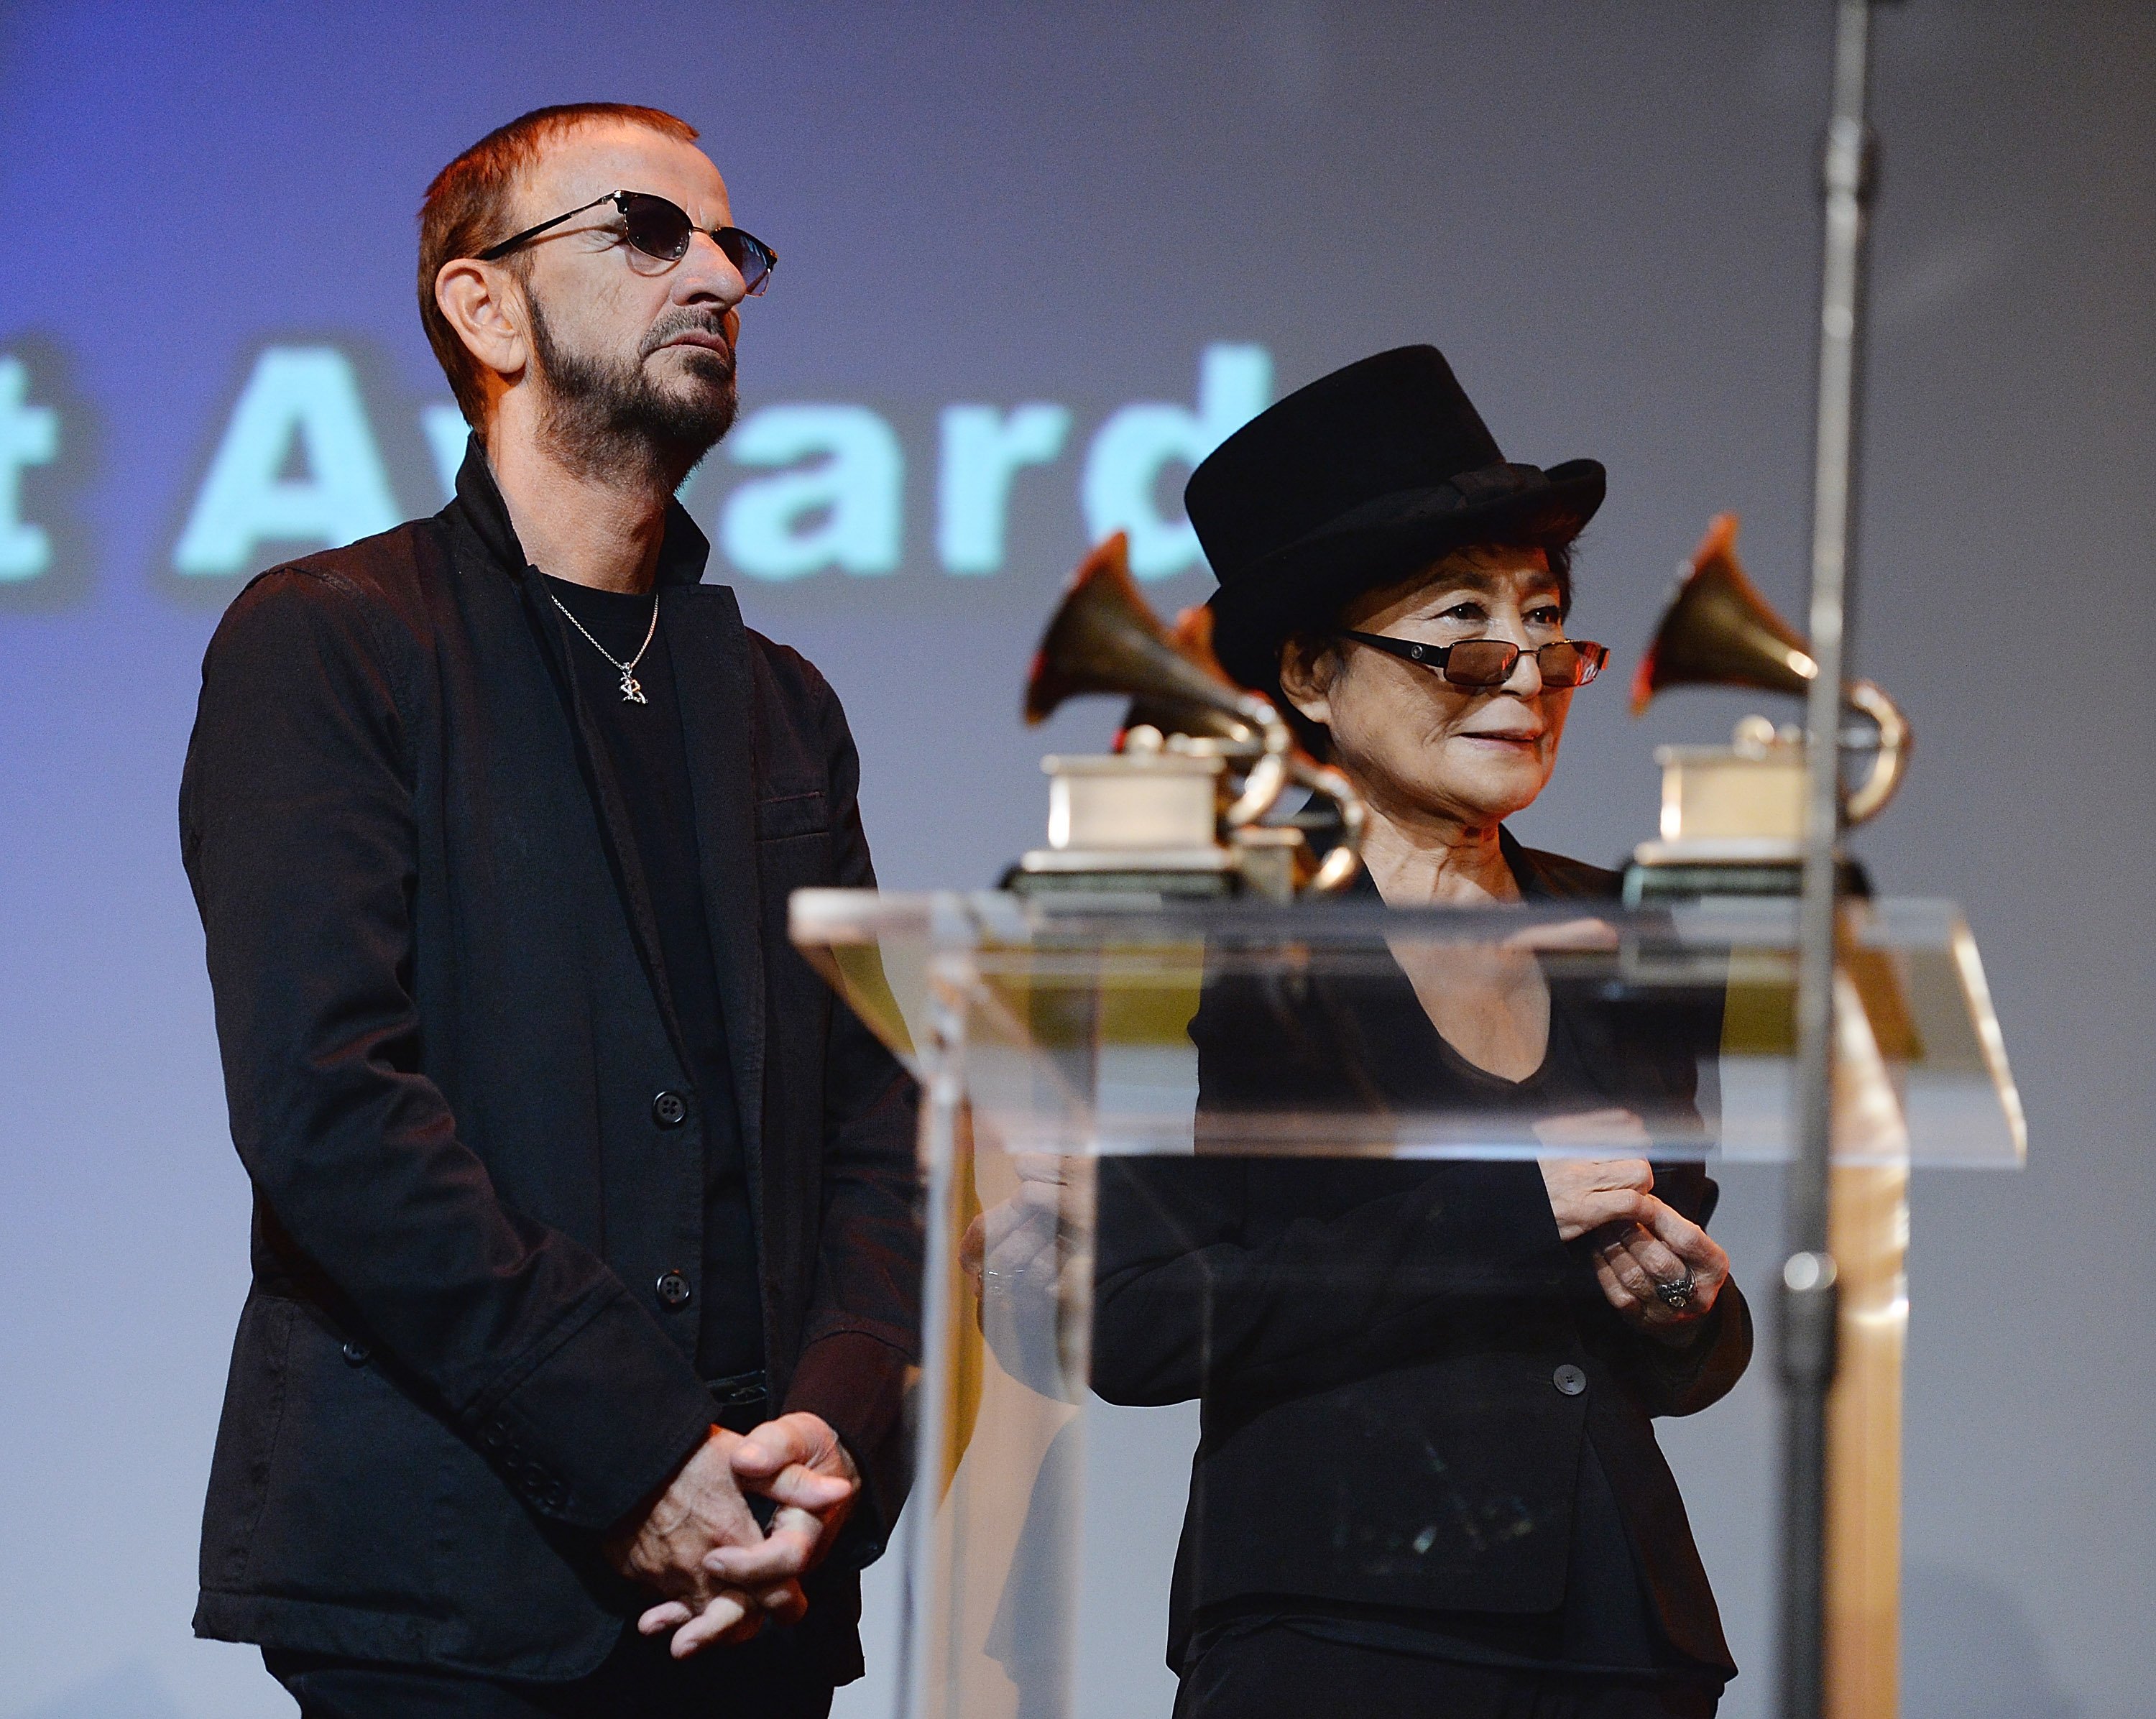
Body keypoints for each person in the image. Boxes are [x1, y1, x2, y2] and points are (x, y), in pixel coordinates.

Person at [179, 103, 920, 1718]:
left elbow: (881, 1116)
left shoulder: (782, 705)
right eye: (650, 232)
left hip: (756, 1575)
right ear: (485, 306)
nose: (716, 271)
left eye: (734, 244)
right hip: (450, 1592)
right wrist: (633, 1445)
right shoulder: (333, 641)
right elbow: (330, 1108)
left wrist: (835, 1420)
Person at [1090, 346, 1753, 1719]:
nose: (1524, 674)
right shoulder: (1213, 930)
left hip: (1623, 1630)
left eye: (1550, 625)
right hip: (1340, 1626)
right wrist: (1516, 1214)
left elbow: (1667, 1337)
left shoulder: (1629, 929)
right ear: (1312, 675)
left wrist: (1690, 1310)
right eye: (1463, 631)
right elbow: (1136, 1322)